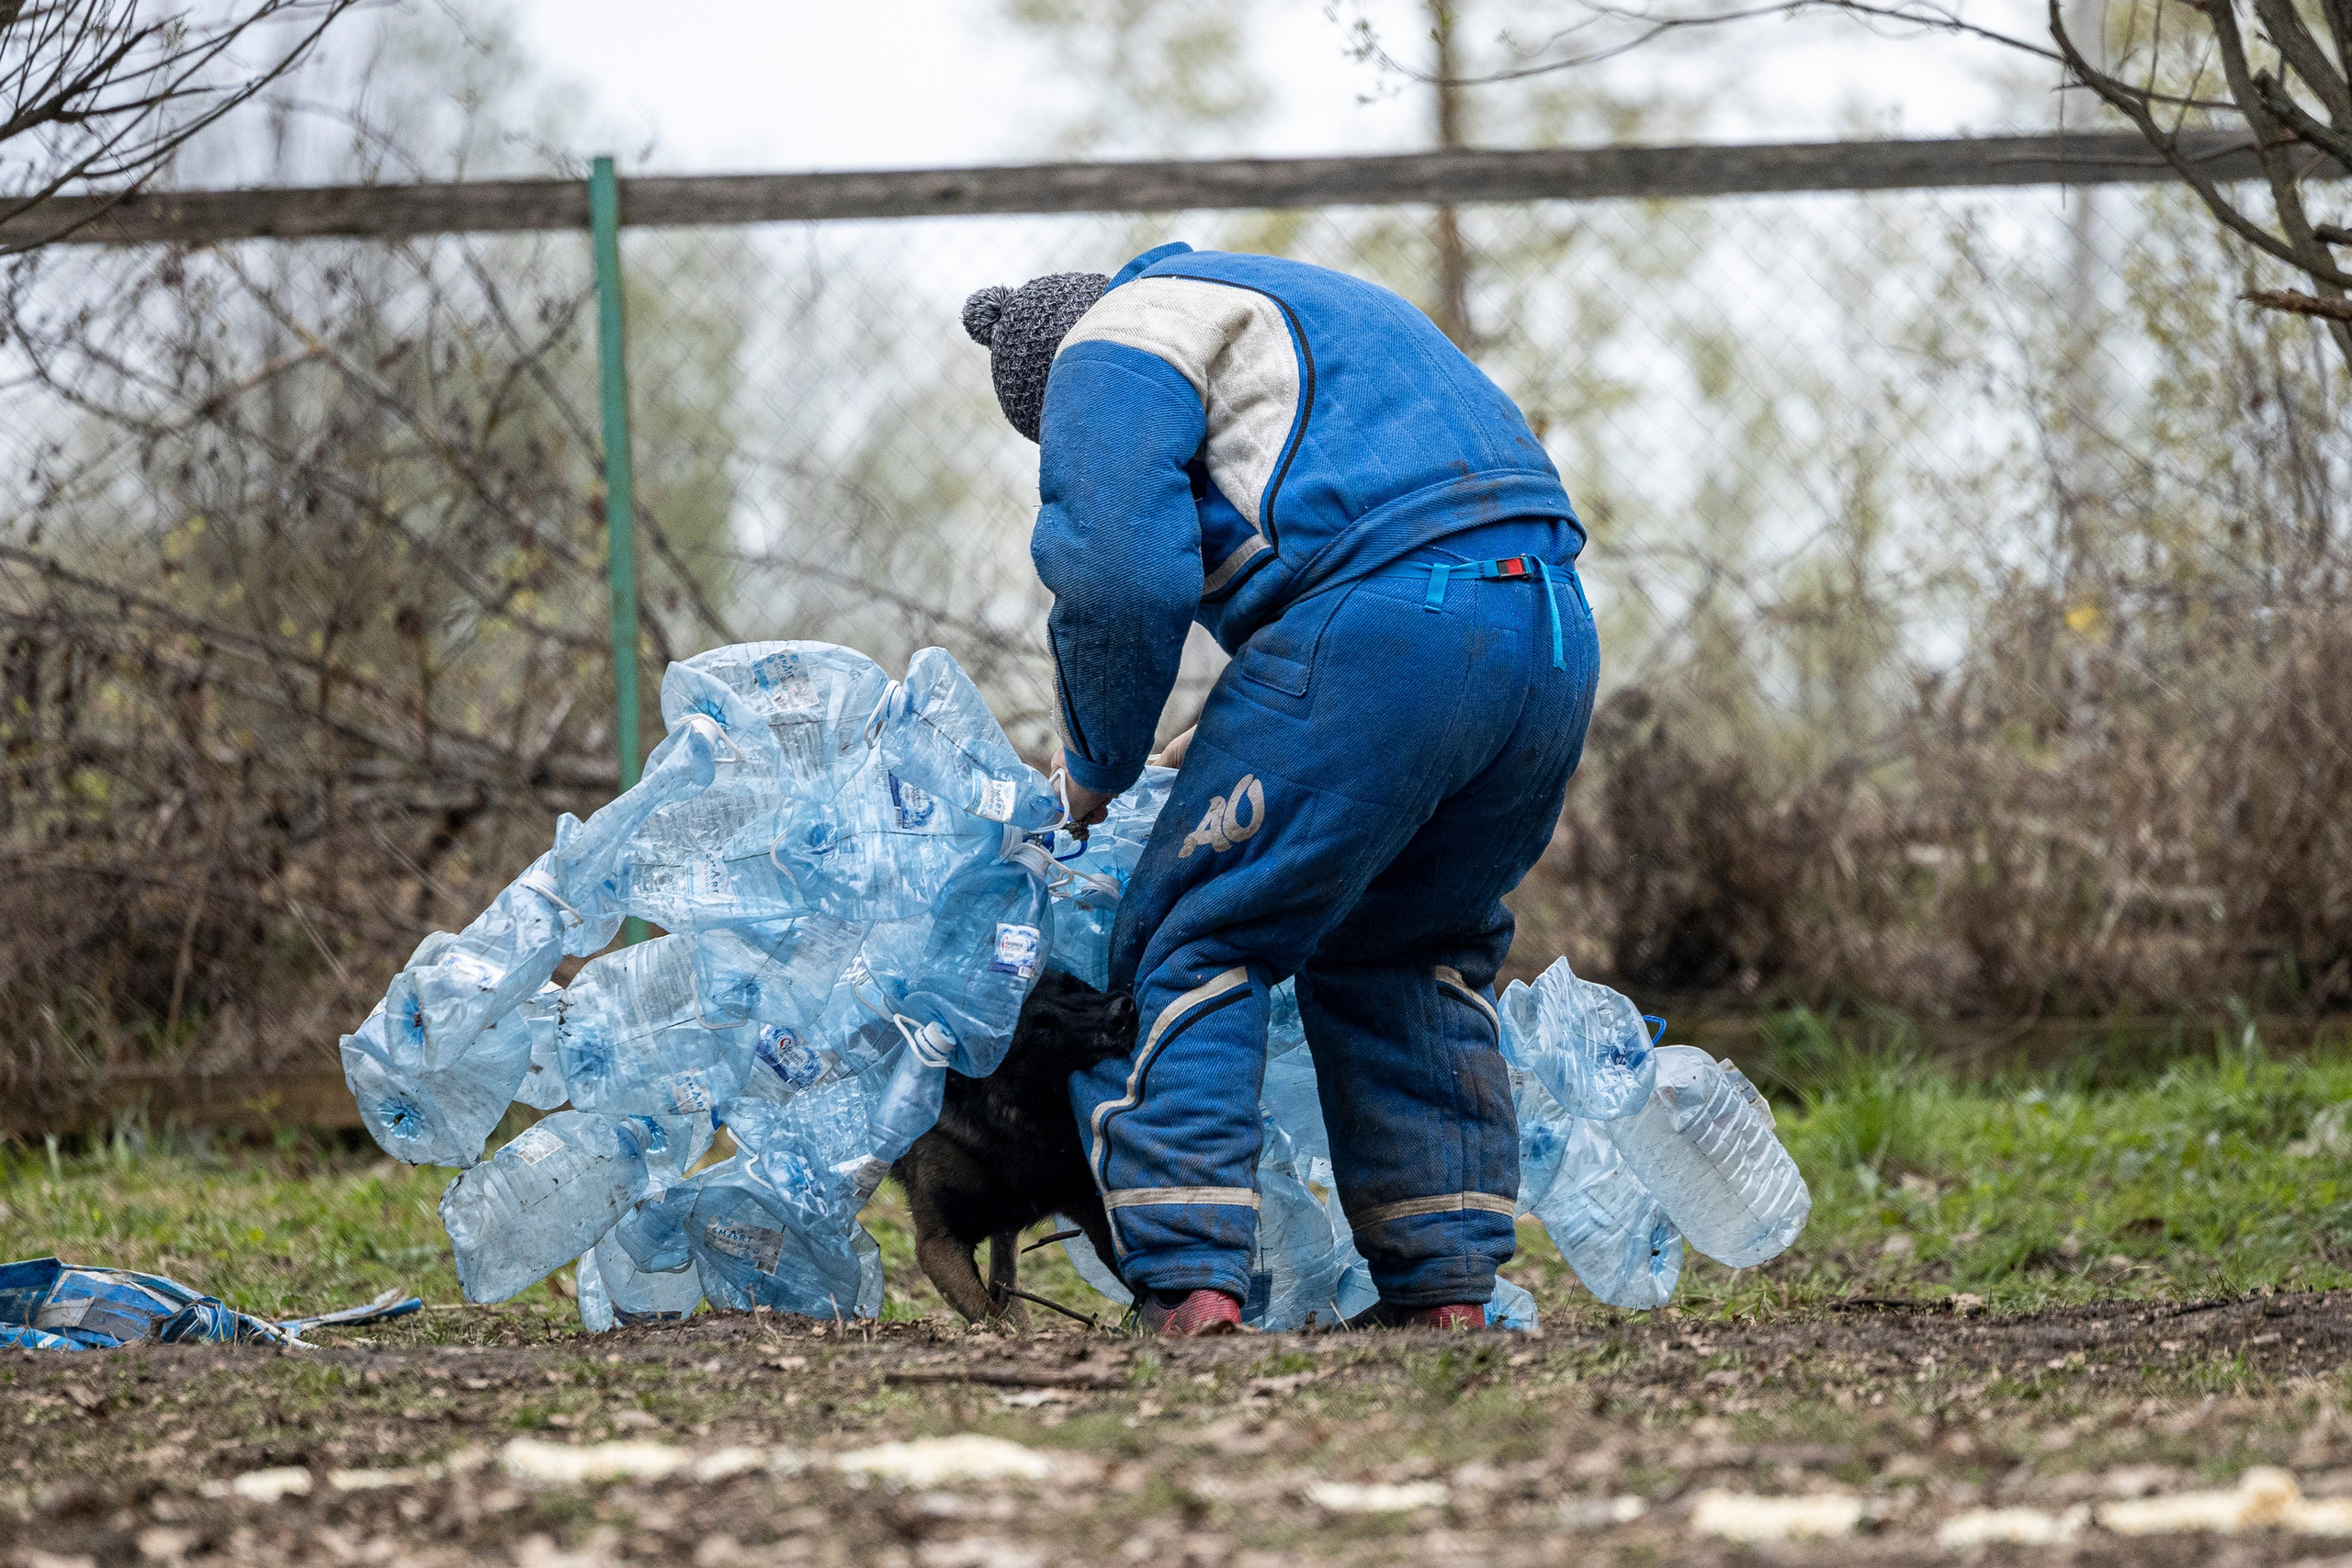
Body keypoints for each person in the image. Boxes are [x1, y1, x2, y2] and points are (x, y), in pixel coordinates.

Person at [962, 242, 1600, 1335]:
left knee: (1193, 935)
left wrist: (1093, 771)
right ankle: (1446, 1292)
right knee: (1407, 946)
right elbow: (1381, 534)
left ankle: (1195, 1287)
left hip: (1390, 633)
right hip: (1546, 632)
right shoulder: (1287, 299)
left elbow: (1116, 572)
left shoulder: (1111, 341)